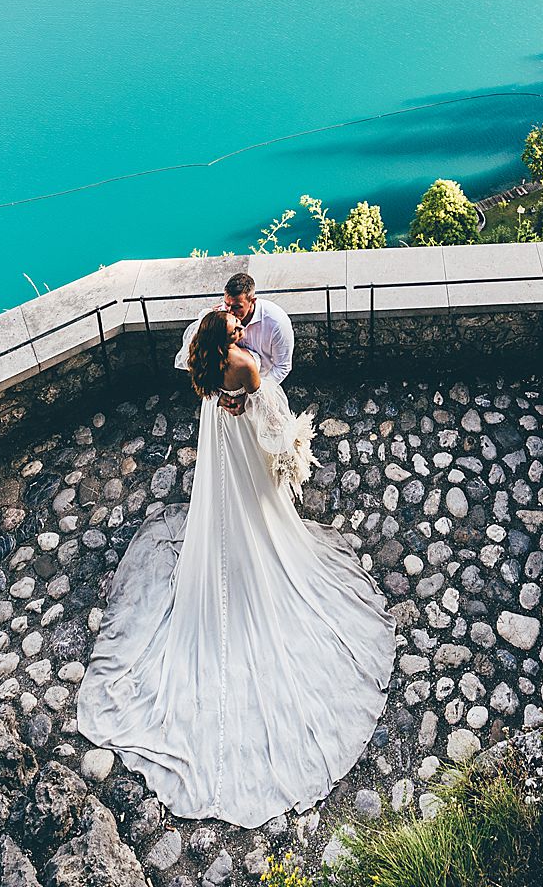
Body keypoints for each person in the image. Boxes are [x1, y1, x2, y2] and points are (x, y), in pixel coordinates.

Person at [76, 302, 395, 827]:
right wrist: (291, 448)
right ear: (225, 339)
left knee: (224, 504)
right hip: (245, 441)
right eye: (234, 328)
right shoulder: (245, 364)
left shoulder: (201, 362)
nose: (242, 328)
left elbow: (217, 386)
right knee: (256, 506)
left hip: (220, 438)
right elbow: (272, 416)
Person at [174, 270, 294, 398]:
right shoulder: (220, 317)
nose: (230, 311)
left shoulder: (277, 323)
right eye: (227, 304)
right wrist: (219, 397)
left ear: (252, 301)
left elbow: (282, 367)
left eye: (237, 307)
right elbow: (201, 357)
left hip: (262, 386)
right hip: (224, 389)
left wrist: (254, 395)